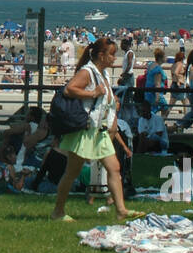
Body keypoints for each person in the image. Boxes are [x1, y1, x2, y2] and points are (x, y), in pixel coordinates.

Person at [49, 38, 137, 222]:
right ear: (101, 55)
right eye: (112, 54)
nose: (114, 58)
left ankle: (121, 210)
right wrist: (92, 93)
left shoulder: (101, 73)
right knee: (72, 172)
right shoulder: (88, 72)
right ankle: (58, 211)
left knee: (114, 168)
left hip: (99, 131)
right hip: (86, 131)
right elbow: (69, 90)